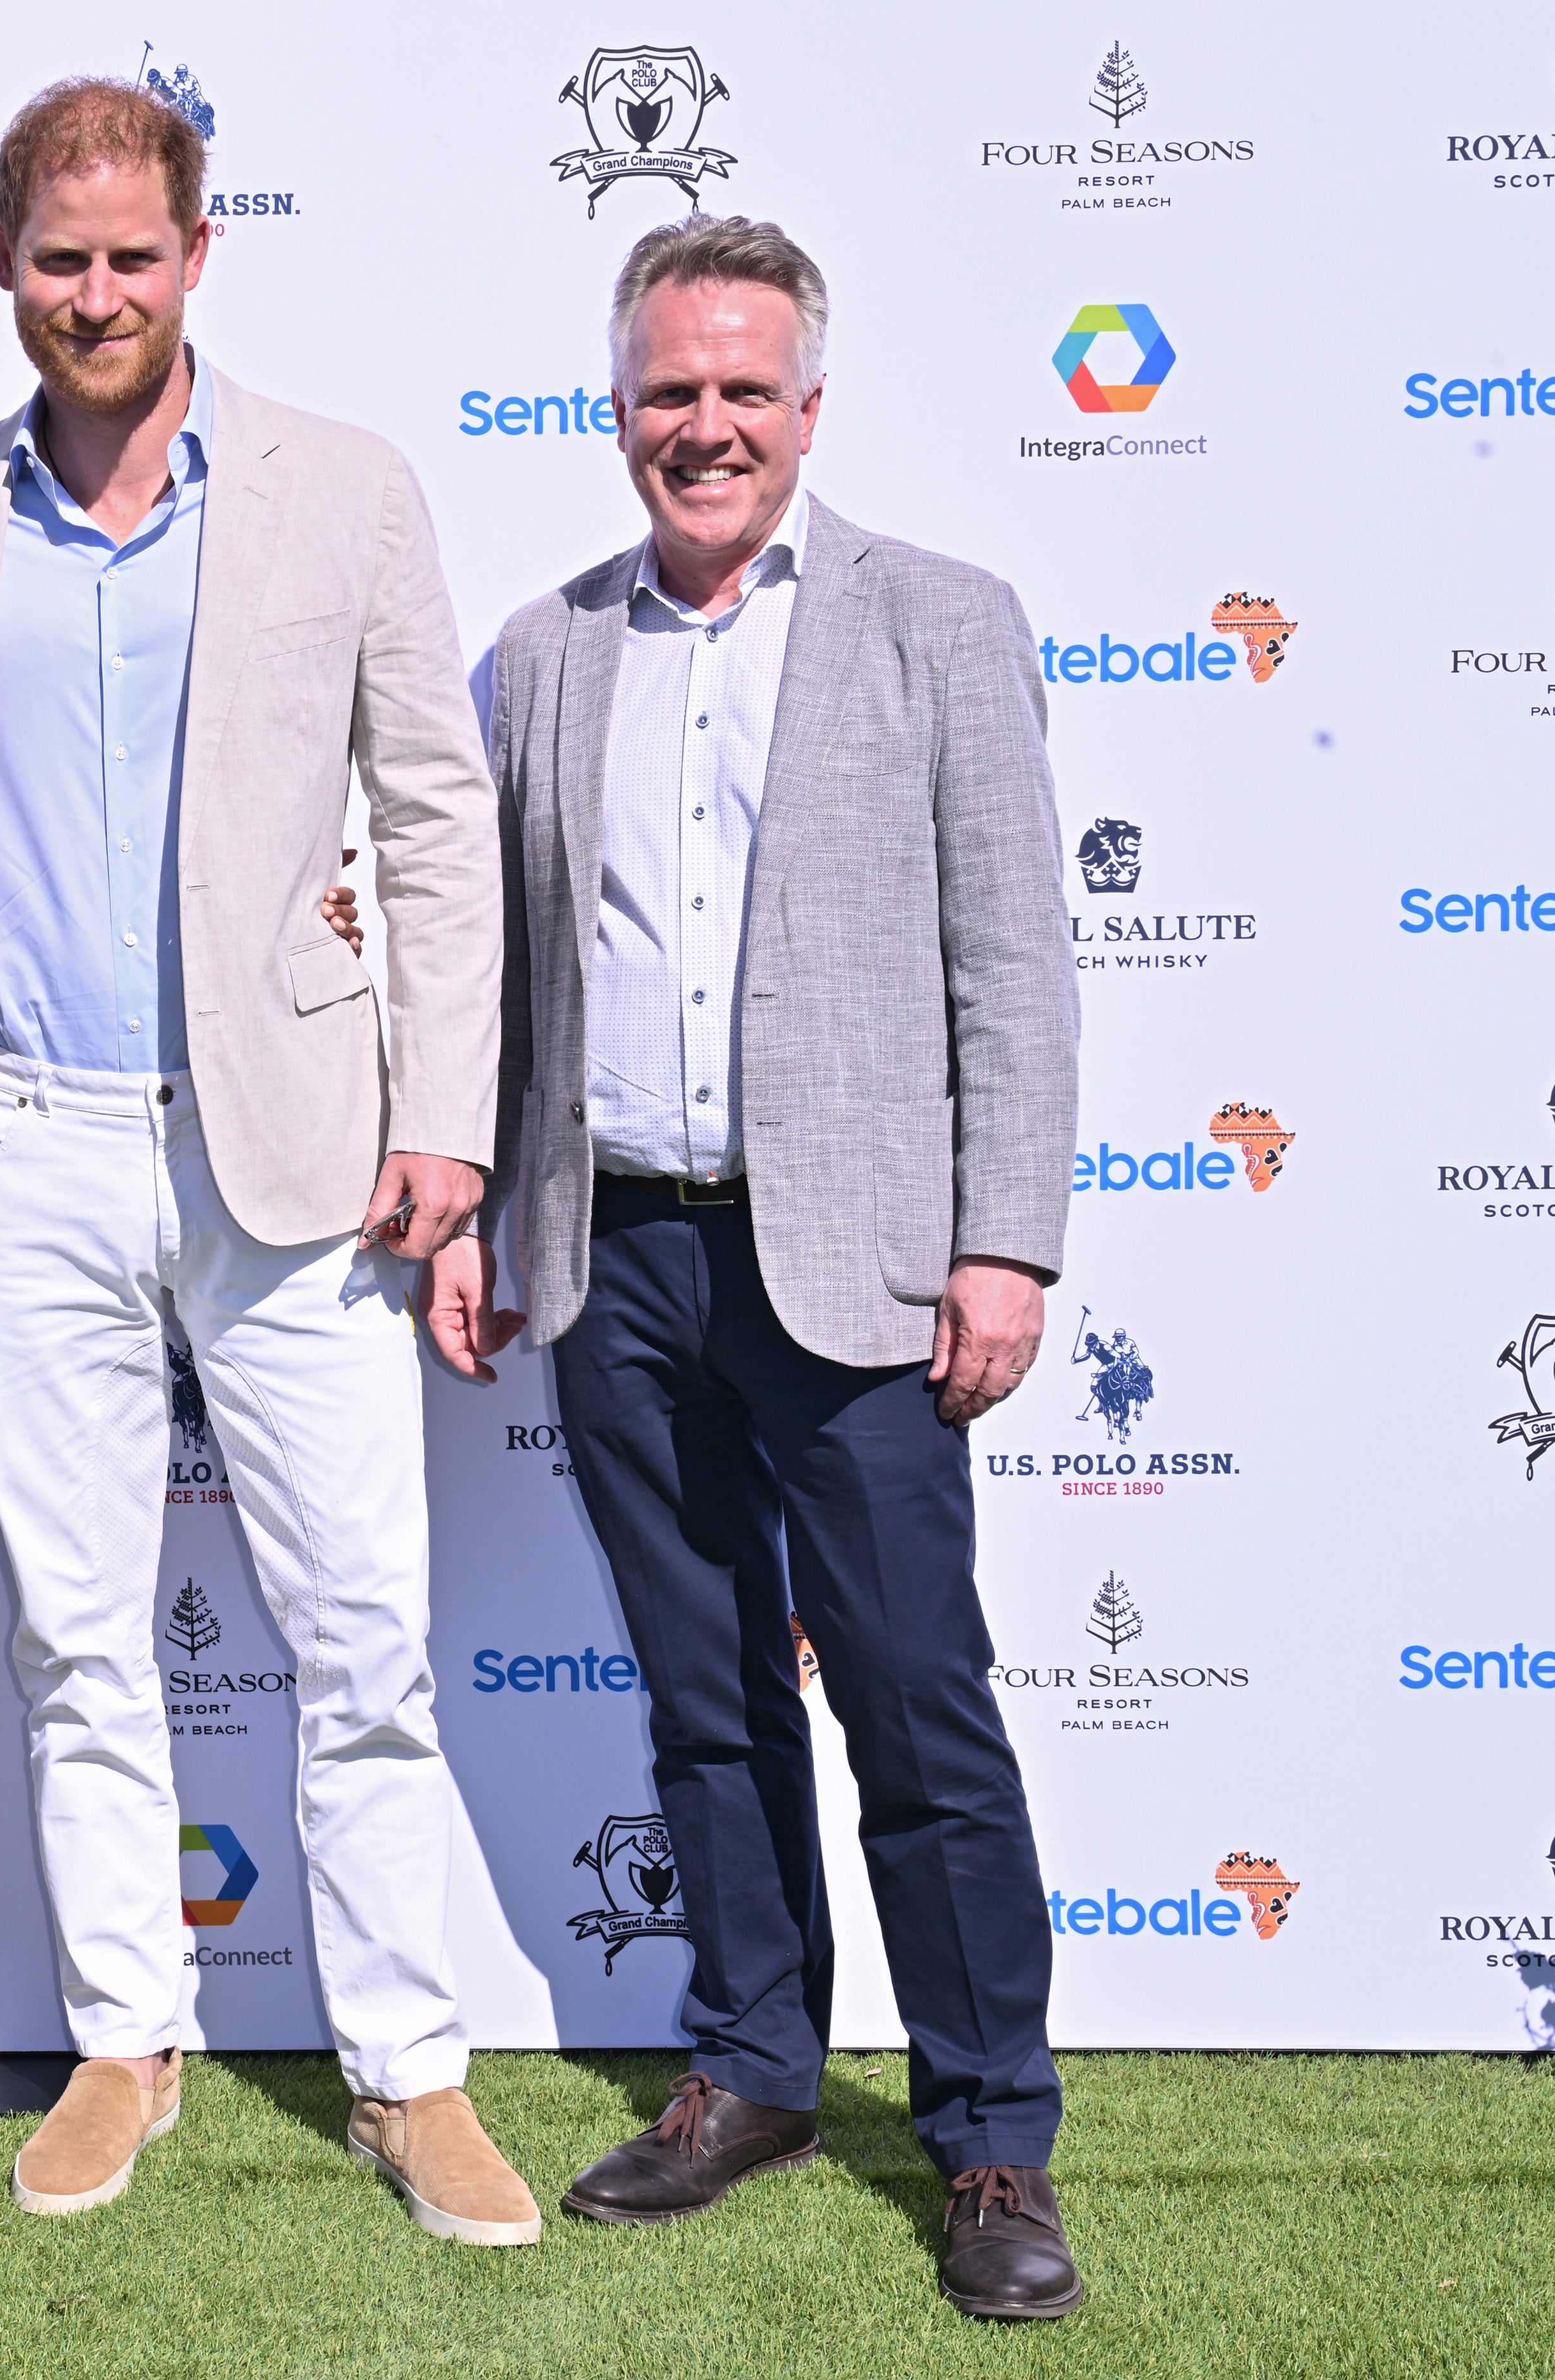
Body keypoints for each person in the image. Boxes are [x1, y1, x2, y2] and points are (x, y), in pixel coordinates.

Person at [0, 78, 534, 2245]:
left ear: (200, 257)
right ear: (4, 267)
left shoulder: (344, 489)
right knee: (73, 1631)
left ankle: (410, 2067)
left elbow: (435, 814)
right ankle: (124, 2035)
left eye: (136, 255)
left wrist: (448, 1126)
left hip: (303, 1147)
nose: (99, 293)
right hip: (22, 1131)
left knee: (366, 1637)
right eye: (63, 258)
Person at [437, 214, 1085, 2321]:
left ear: (811, 405)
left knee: (917, 1703)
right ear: (616, 405)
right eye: (666, 390)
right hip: (620, 1255)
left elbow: (1016, 958)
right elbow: (507, 966)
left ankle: (989, 2127)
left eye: (742, 388)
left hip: (866, 1272)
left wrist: (1002, 1243)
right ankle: (756, 2069)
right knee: (705, 1702)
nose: (702, 425)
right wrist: (483, 1214)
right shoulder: (543, 651)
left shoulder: (940, 621)